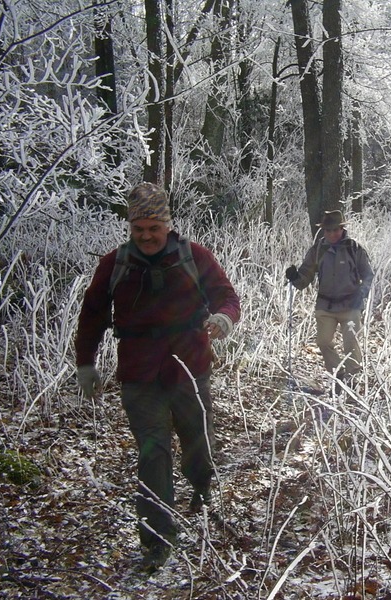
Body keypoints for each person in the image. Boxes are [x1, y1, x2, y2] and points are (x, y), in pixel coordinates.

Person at [74, 182, 240, 573]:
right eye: (139, 229)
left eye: (154, 227)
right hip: (140, 375)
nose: (147, 236)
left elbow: (226, 295)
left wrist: (222, 319)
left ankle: (201, 485)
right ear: (130, 228)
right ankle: (157, 538)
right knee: (153, 453)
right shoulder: (114, 265)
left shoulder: (194, 256)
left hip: (189, 368)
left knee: (198, 441)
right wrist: (86, 363)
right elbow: (93, 315)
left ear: (167, 224)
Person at [286, 210, 374, 384]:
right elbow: (305, 277)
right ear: (323, 231)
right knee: (323, 342)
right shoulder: (318, 249)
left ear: (342, 229)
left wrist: (361, 294)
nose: (332, 234)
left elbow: (368, 275)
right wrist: (295, 277)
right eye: (328, 230)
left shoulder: (354, 248)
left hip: (350, 305)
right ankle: (338, 376)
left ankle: (354, 380)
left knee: (351, 344)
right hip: (325, 306)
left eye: (336, 230)